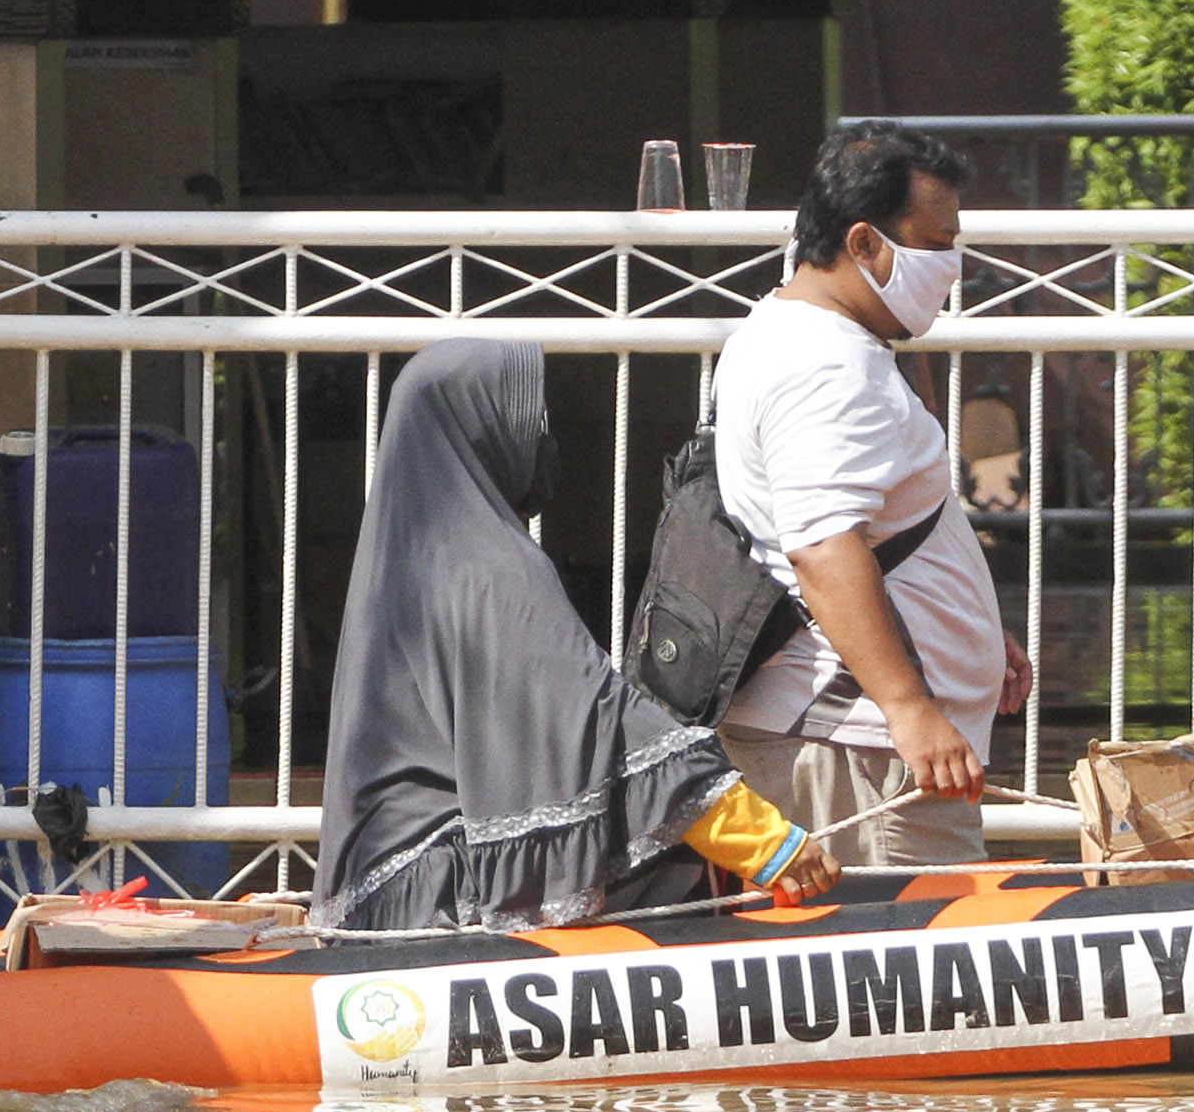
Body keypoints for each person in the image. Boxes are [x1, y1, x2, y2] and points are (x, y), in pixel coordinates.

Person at [314, 338, 831, 934]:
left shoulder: (406, 557)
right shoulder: (488, 570)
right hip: (441, 899)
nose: (546, 443)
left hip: (391, 885)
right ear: (480, 431)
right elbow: (598, 721)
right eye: (530, 424)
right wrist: (764, 842)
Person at [711, 125, 1037, 866]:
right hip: (855, 748)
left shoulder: (795, 335)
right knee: (905, 971)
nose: (952, 268)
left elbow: (880, 527)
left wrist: (975, 643)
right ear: (863, 244)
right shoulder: (826, 366)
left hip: (860, 737)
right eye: (936, 244)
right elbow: (823, 547)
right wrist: (909, 707)